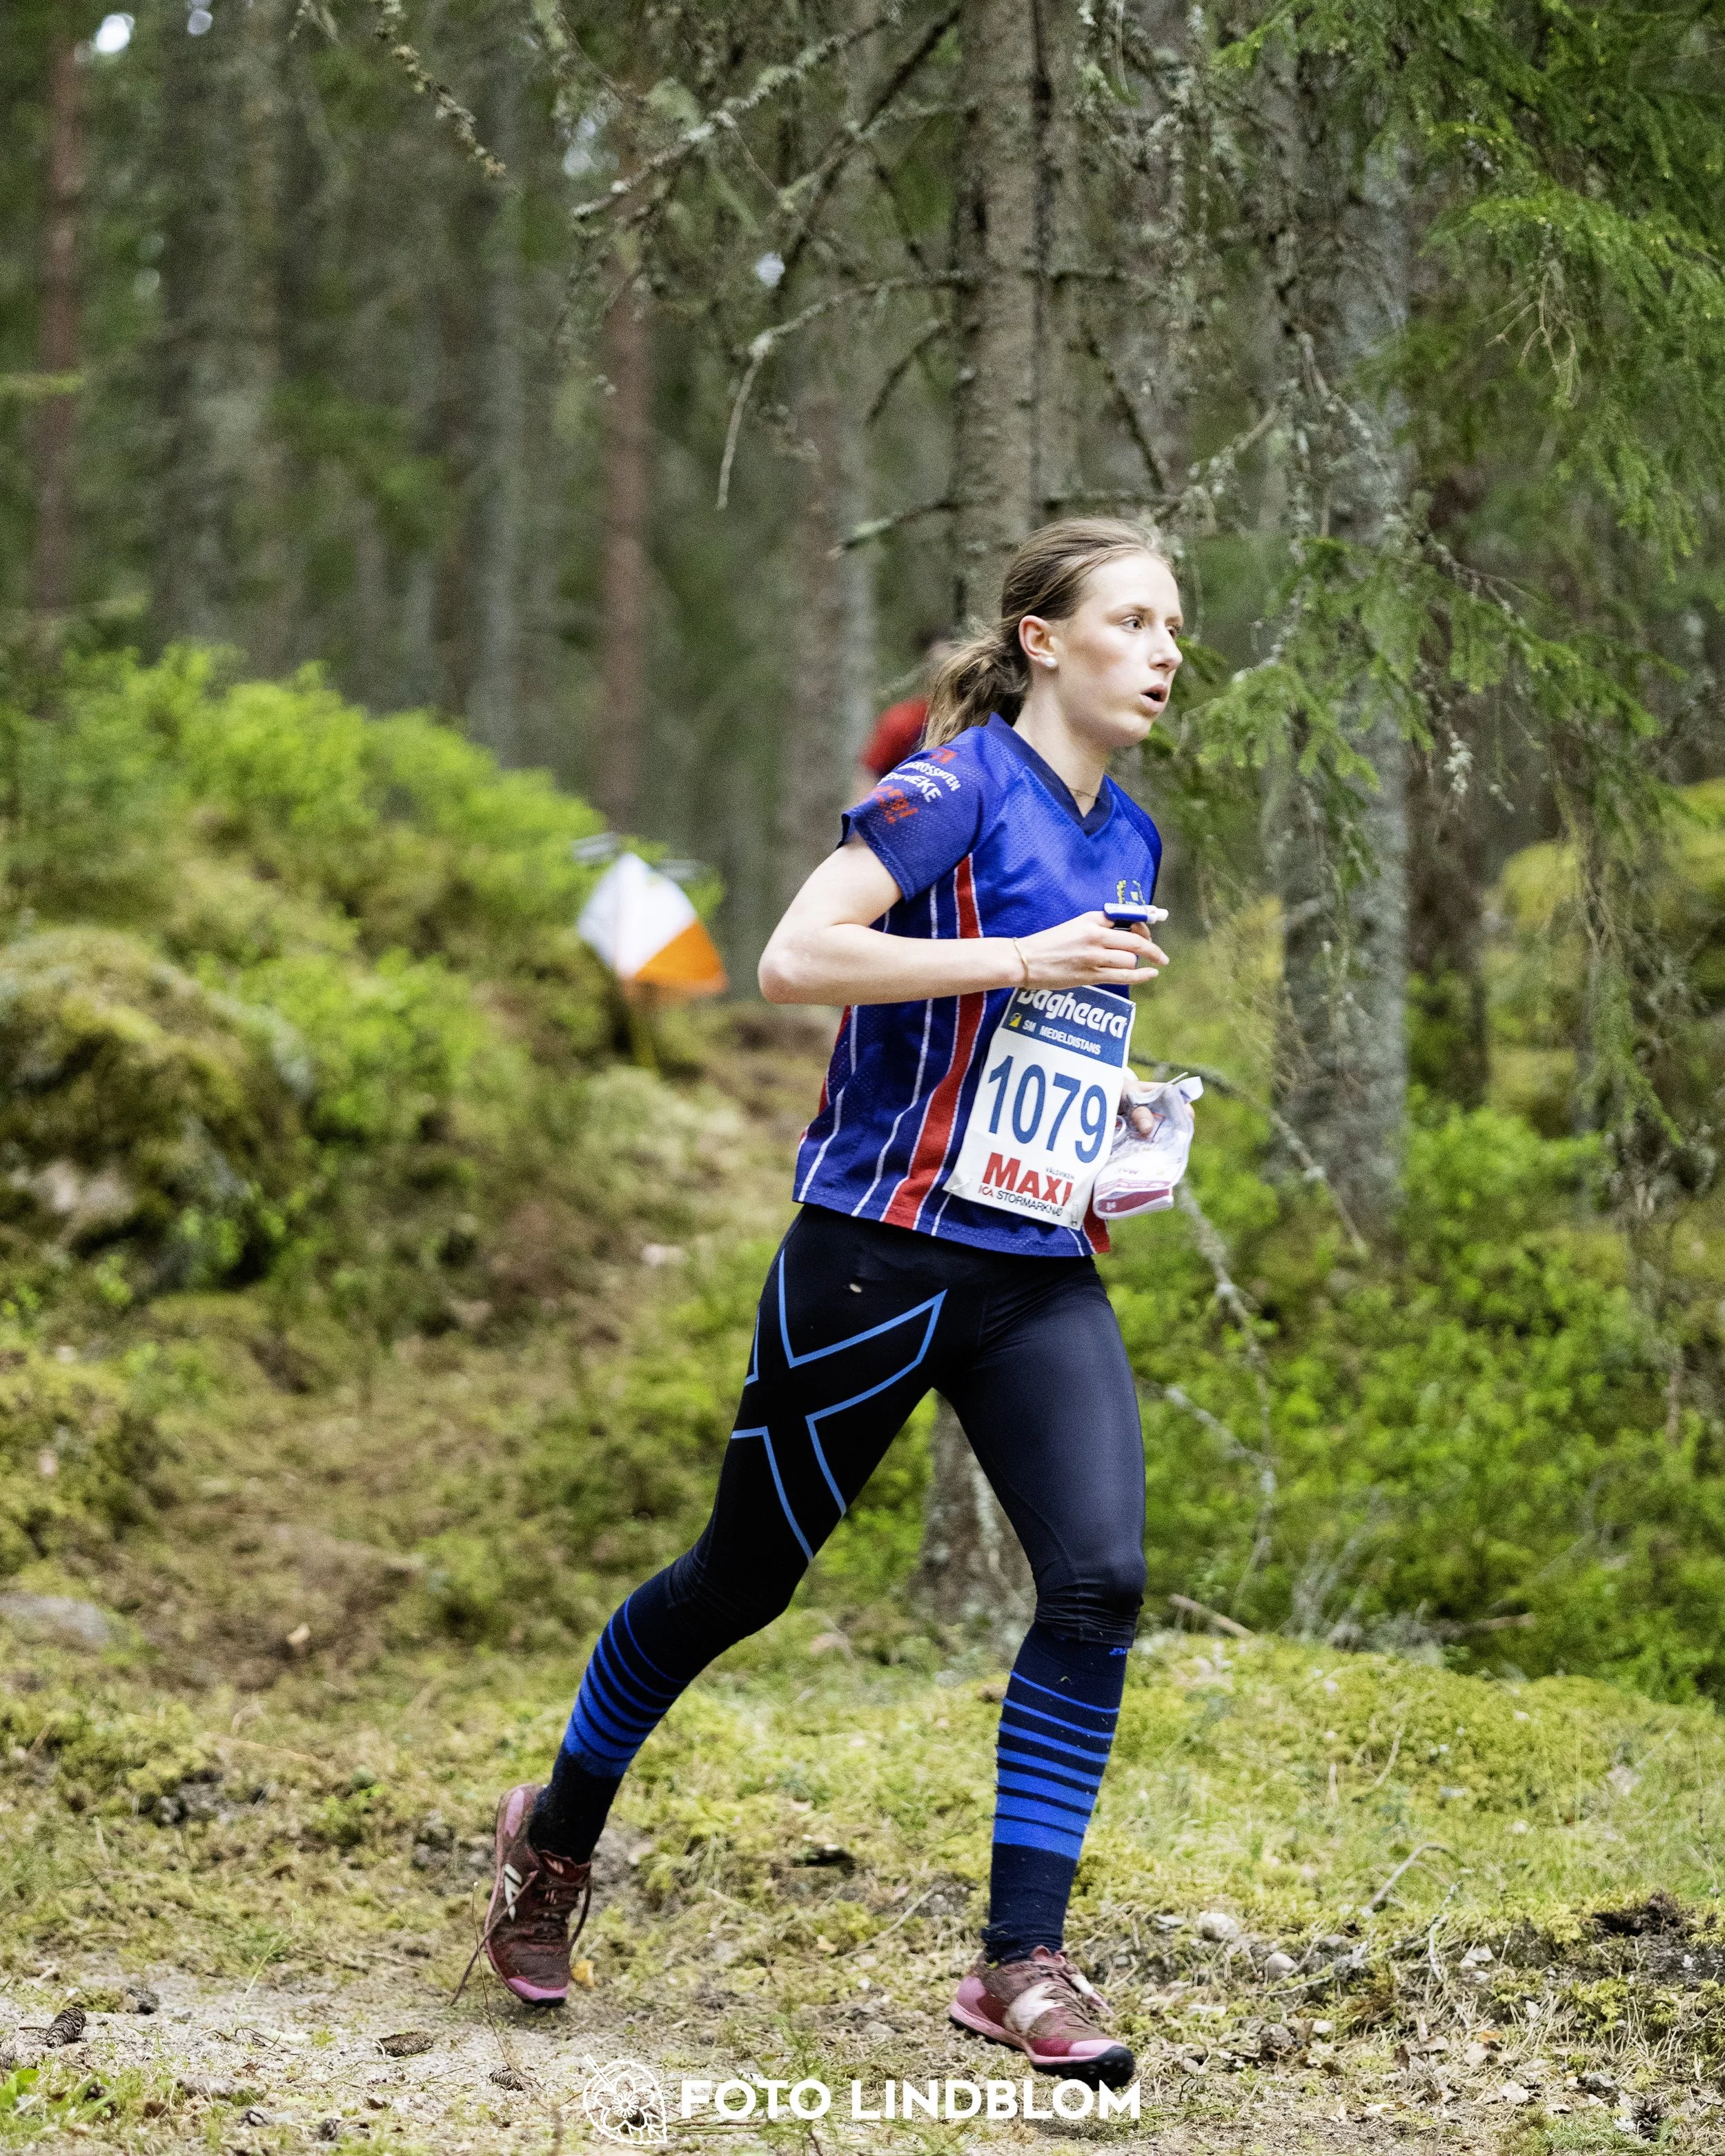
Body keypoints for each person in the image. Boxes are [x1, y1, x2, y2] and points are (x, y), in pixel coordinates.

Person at [466, 517, 1185, 2088]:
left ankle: (1021, 1963)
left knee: (1100, 1580)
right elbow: (794, 957)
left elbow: (1044, 1040)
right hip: (873, 1257)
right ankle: (555, 1837)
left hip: (1034, 1270)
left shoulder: (1127, 834)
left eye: (1173, 628)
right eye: (1131, 620)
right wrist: (1016, 960)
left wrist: (1116, 1134)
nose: (1163, 651)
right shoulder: (951, 788)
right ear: (1045, 638)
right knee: (740, 1578)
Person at [852, 626, 957, 799]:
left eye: (950, 664)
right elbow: (868, 779)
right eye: (936, 665)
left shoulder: (978, 720)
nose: (942, 673)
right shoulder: (901, 721)